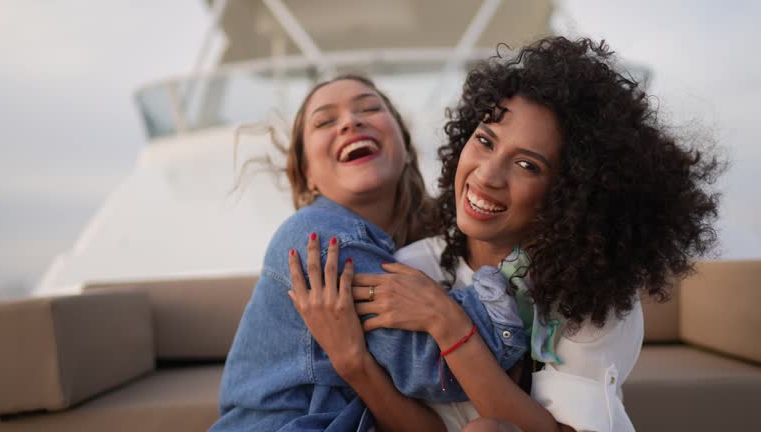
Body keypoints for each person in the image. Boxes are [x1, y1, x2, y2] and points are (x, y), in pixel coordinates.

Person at [291, 37, 722, 432]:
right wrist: (354, 364)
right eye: (485, 140)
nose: (487, 175)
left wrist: (448, 323)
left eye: (527, 165)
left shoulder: (595, 297)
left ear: (571, 192)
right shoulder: (413, 267)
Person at [212, 75, 529, 432]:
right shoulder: (319, 238)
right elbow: (436, 369)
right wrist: (503, 291)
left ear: (405, 149)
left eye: (370, 108)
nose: (350, 121)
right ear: (307, 174)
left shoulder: (412, 253)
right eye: (325, 121)